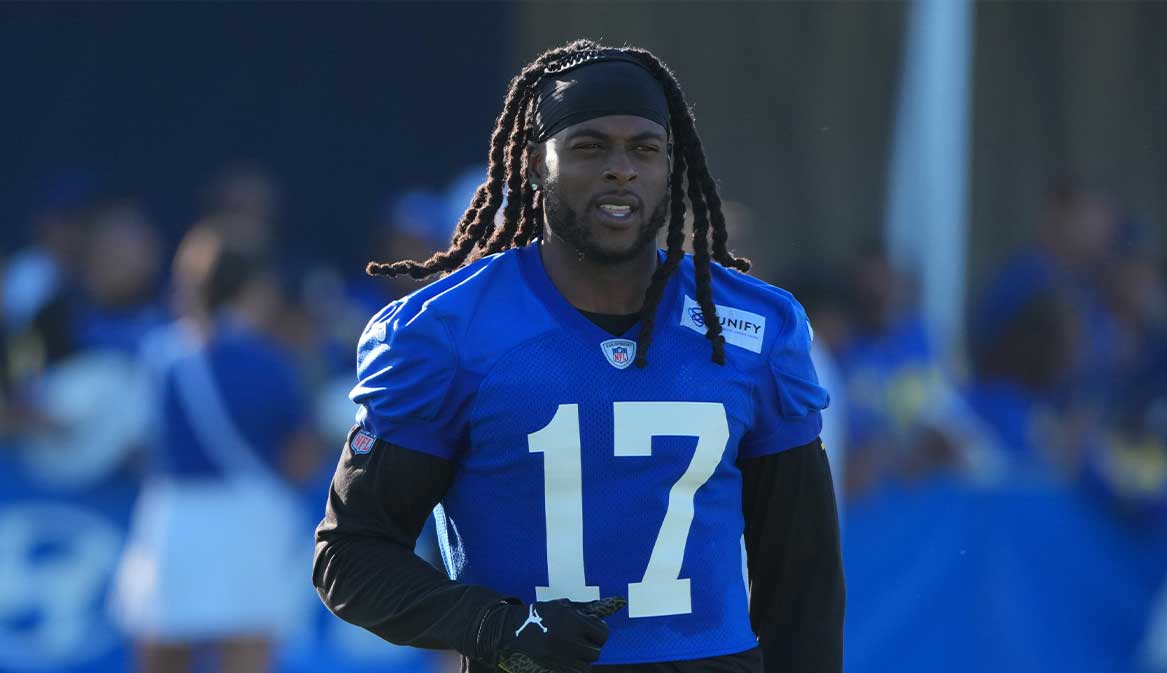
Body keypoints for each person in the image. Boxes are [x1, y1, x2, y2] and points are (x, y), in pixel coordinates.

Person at [313, 40, 843, 673]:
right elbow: (350, 556)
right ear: (537, 164)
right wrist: (496, 626)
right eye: (590, 146)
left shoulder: (755, 329)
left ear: (671, 167)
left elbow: (802, 579)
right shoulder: (448, 331)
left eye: (645, 149)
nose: (621, 168)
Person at [112, 224, 319, 673]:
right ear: (256, 289)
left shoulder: (159, 355)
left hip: (173, 521)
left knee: (161, 656)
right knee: (246, 654)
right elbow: (299, 462)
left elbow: (137, 447)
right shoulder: (272, 362)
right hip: (249, 524)